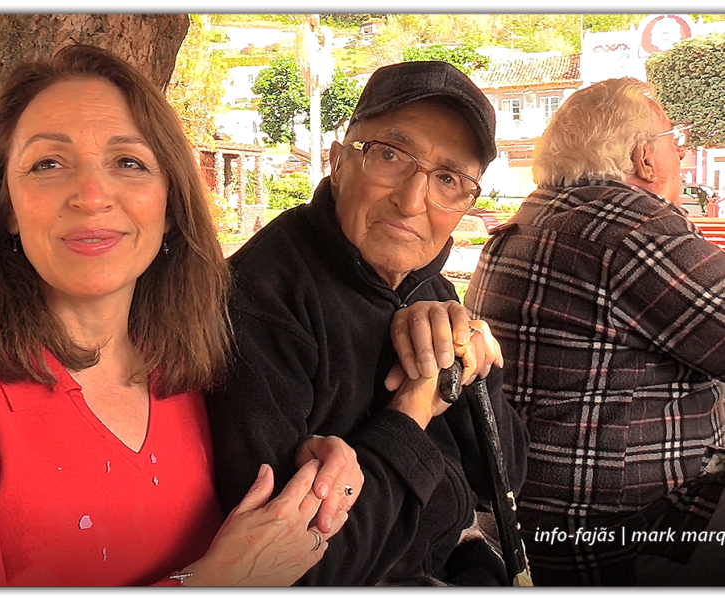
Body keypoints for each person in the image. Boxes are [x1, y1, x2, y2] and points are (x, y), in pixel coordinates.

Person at [0, 44, 363, 587]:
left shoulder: (200, 370)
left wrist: (312, 465)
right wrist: (217, 583)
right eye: (48, 163)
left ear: (170, 206)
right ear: (7, 206)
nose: (92, 195)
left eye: (129, 162)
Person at [205, 61, 528, 586]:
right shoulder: (259, 302)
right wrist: (414, 408)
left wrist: (473, 366)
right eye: (391, 155)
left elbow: (505, 479)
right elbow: (303, 568)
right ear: (339, 159)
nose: (412, 199)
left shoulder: (428, 285)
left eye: (448, 178)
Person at [465, 77, 725, 586]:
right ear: (645, 158)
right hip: (620, 535)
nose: (681, 151)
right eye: (676, 139)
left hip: (526, 524)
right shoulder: (633, 229)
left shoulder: (533, 219)